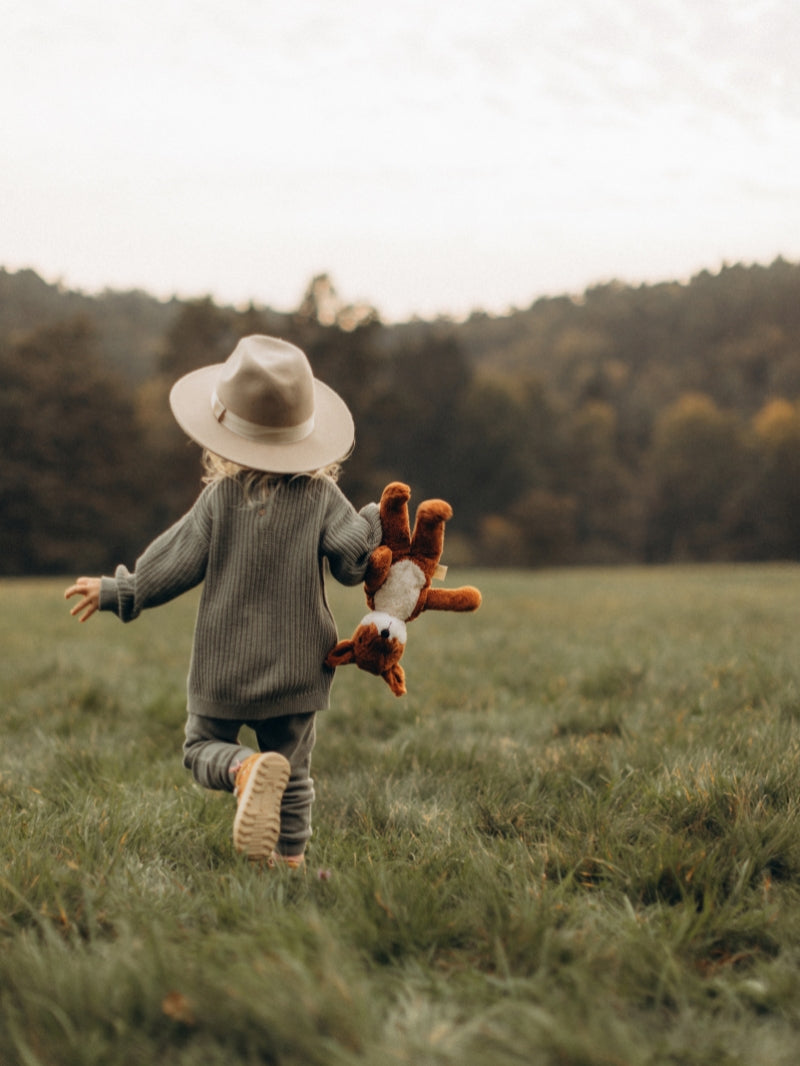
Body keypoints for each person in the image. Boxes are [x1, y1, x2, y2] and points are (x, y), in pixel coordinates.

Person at [65, 335, 382, 868]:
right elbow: (354, 567)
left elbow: (170, 564)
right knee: (295, 773)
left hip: (224, 669)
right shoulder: (323, 499)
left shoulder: (219, 501)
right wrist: (373, 520)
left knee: (199, 750)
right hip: (299, 671)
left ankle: (240, 770)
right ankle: (289, 867)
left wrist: (120, 590)